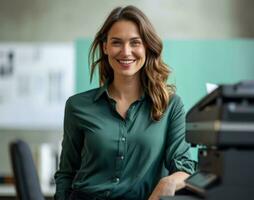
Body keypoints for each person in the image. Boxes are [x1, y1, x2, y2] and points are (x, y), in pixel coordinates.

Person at [54, 5, 196, 200]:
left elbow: (184, 167)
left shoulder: (170, 106)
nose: (126, 51)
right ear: (105, 47)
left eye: (135, 42)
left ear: (147, 46)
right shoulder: (77, 106)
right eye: (116, 43)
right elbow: (66, 173)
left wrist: (167, 182)